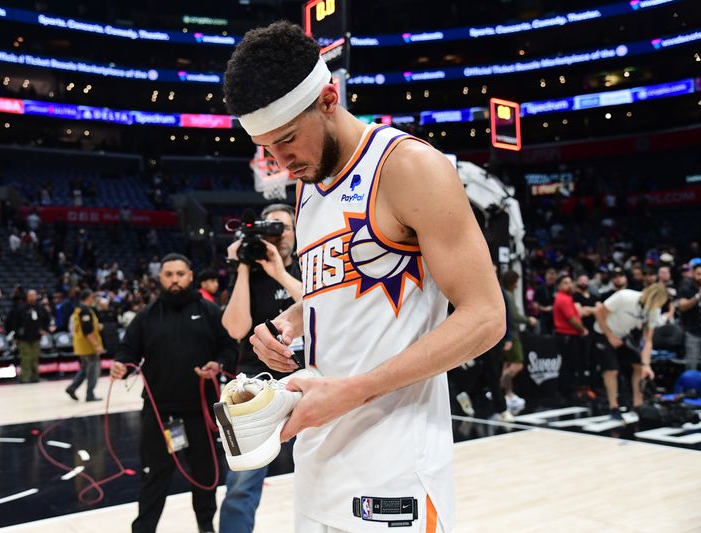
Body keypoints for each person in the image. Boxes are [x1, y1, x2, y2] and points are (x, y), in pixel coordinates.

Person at [225, 21, 505, 531]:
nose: (280, 162)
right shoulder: (309, 184)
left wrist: (352, 391)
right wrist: (292, 318)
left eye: (287, 140)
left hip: (394, 470)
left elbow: (486, 319)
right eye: (267, 149)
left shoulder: (411, 167)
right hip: (318, 459)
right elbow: (340, 291)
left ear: (329, 98)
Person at [110, 254, 237, 533]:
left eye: (180, 274)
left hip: (200, 413)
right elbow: (127, 351)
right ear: (161, 278)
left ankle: (206, 527)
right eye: (169, 274)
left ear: (191, 276)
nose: (175, 279)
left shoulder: (210, 311)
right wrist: (121, 365)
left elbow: (229, 347)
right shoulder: (147, 316)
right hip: (161, 416)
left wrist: (219, 364)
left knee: (204, 477)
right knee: (155, 477)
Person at [218, 203, 303, 533]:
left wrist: (280, 272)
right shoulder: (247, 277)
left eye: (284, 228)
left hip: (307, 379)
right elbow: (236, 329)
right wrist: (241, 268)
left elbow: (319, 309)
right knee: (242, 483)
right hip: (258, 385)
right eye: (270, 227)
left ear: (296, 234)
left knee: (324, 466)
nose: (277, 236)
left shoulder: (308, 269)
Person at [593, 284, 668, 420]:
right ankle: (613, 407)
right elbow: (599, 313)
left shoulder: (653, 310)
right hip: (602, 333)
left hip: (622, 336)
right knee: (612, 370)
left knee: (638, 366)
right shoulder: (625, 296)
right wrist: (610, 336)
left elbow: (647, 339)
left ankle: (638, 405)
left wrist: (647, 365)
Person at [500, 270, 535, 414]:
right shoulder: (507, 295)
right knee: (517, 365)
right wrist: (528, 320)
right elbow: (514, 316)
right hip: (512, 335)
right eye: (516, 281)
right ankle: (502, 392)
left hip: (507, 334)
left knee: (506, 365)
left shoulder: (506, 293)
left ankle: (505, 394)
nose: (517, 284)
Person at [552, 275, 588, 403]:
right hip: (566, 335)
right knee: (569, 365)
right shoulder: (563, 299)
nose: (569, 285)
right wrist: (582, 330)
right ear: (559, 285)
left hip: (567, 335)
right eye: (565, 283)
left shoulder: (566, 298)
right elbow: (571, 319)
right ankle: (567, 392)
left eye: (570, 282)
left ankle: (566, 391)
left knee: (568, 365)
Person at [65, 289, 103, 402]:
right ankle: (90, 394)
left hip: (80, 345)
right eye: (92, 298)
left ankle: (72, 387)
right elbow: (87, 331)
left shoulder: (78, 310)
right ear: (88, 298)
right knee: (93, 371)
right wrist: (96, 345)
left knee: (84, 369)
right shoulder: (86, 311)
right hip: (88, 346)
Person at [6, 289, 50, 383]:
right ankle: (25, 377)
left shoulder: (40, 308)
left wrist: (44, 329)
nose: (32, 297)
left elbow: (47, 319)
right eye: (30, 295)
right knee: (26, 358)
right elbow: (14, 323)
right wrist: (16, 336)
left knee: (35, 358)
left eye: (34, 295)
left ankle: (35, 377)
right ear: (27, 297)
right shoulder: (21, 308)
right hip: (23, 338)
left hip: (36, 337)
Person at [677, 260, 701, 370]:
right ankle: (692, 387)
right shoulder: (686, 287)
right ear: (693, 274)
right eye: (699, 274)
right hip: (693, 331)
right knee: (692, 365)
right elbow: (682, 306)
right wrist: (697, 297)